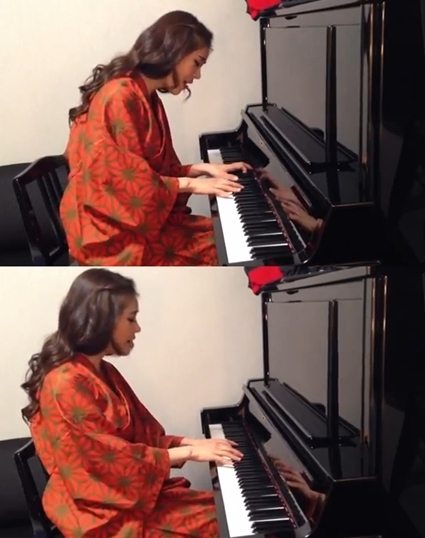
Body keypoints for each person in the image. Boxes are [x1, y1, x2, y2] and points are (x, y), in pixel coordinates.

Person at [21, 269, 243, 537]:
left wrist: (192, 443)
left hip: (123, 497)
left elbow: (140, 438)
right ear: (103, 320)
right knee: (230, 523)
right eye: (131, 318)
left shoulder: (102, 370)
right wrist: (190, 453)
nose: (137, 328)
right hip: (98, 514)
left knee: (232, 512)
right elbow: (104, 461)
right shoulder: (65, 383)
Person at [60, 10, 249, 266]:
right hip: (107, 233)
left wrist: (201, 169)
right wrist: (192, 184)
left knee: (226, 238)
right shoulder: (120, 95)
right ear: (175, 52)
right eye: (197, 63)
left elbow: (146, 171)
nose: (197, 75)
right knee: (226, 248)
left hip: (126, 220)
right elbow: (121, 184)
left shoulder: (143, 94)